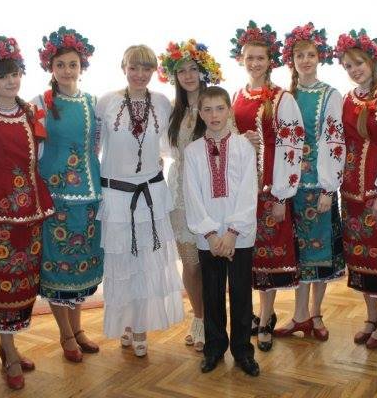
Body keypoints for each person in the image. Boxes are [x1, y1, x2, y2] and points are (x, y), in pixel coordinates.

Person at [0, 36, 53, 389]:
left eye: (15, 73)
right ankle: (9, 351)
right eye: (3, 76)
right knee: (1, 281)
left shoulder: (32, 113)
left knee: (24, 280)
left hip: (30, 210)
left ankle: (10, 348)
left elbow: (40, 157)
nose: (10, 81)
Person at [96, 44, 184, 357]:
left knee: (147, 264)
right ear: (124, 68)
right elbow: (93, 148)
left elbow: (172, 144)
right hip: (116, 196)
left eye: (146, 68)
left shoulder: (162, 102)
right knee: (122, 264)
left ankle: (141, 326)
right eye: (134, 67)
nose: (140, 74)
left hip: (150, 195)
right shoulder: (106, 101)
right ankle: (126, 323)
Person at [230, 21, 304, 352]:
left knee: (268, 255)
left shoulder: (281, 98)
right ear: (242, 59)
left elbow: (293, 146)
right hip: (242, 190)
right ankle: (251, 315)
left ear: (270, 61)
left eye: (261, 58)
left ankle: (266, 317)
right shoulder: (236, 95)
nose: (255, 63)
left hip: (270, 188)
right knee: (247, 254)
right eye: (250, 57)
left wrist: (282, 195)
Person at [33, 27, 104, 363]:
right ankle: (65, 334)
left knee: (78, 265)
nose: (66, 70)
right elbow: (30, 149)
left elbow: (97, 145)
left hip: (88, 196)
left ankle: (77, 329)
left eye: (72, 64)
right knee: (59, 265)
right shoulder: (40, 104)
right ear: (51, 67)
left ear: (81, 66)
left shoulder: (93, 103)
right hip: (57, 196)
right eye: (60, 64)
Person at [274, 23, 344, 341]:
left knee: (319, 252)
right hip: (291, 188)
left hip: (319, 187)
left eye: (310, 55)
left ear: (319, 58)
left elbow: (335, 141)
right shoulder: (285, 96)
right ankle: (299, 315)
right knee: (300, 255)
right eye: (299, 55)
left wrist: (329, 188)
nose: (305, 60)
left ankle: (315, 314)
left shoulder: (330, 95)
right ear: (292, 60)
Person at [183, 86, 259, 376]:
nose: (214, 115)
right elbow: (192, 194)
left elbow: (248, 191)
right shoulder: (192, 152)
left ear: (229, 110)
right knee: (212, 295)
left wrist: (232, 233)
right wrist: (211, 234)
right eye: (207, 109)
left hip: (239, 236)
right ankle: (214, 348)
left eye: (219, 108)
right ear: (199, 114)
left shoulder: (243, 147)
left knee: (241, 294)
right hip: (210, 238)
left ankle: (243, 351)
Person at [335, 29, 377, 348]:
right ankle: (371, 315)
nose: (354, 70)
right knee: (358, 254)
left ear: (372, 62)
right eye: (348, 66)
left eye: (358, 63)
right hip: (350, 192)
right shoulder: (348, 99)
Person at [158, 38, 224, 352]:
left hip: (211, 192)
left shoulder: (215, 105)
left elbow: (230, 143)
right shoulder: (173, 112)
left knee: (212, 262)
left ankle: (216, 321)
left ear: (203, 71)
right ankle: (199, 318)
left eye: (193, 69)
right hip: (180, 193)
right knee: (191, 264)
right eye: (181, 70)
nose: (188, 75)